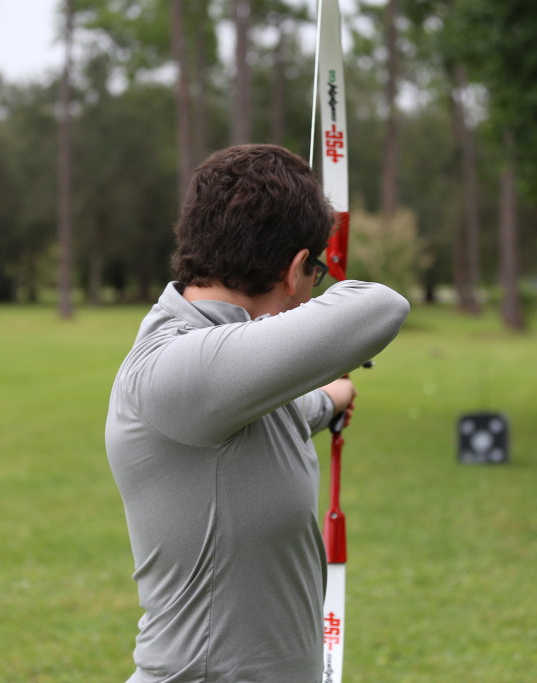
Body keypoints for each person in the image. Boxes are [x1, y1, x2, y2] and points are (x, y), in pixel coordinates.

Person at [105, 144, 410, 683]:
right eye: (315, 270)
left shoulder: (227, 377)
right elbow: (380, 306)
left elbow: (289, 412)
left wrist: (334, 397)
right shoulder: (181, 367)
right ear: (296, 269)